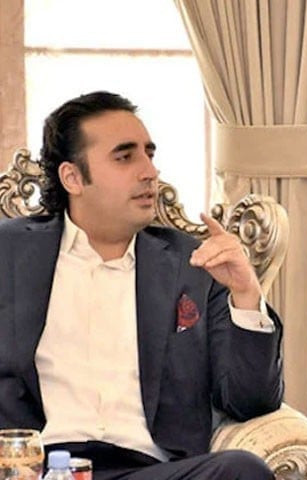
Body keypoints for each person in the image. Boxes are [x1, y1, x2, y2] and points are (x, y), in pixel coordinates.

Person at [0, 91, 284, 480]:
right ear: (72, 177)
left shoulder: (195, 265)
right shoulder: (9, 253)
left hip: (148, 471)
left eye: (149, 154)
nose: (149, 171)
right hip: (35, 471)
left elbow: (250, 402)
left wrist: (246, 294)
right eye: (125, 157)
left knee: (241, 470)